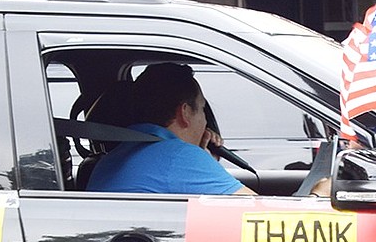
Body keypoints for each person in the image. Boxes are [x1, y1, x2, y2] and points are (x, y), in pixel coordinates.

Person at [87, 63, 256, 195]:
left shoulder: (110, 159)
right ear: (185, 112)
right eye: (202, 109)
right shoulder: (179, 156)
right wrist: (204, 161)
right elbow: (255, 212)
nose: (205, 121)